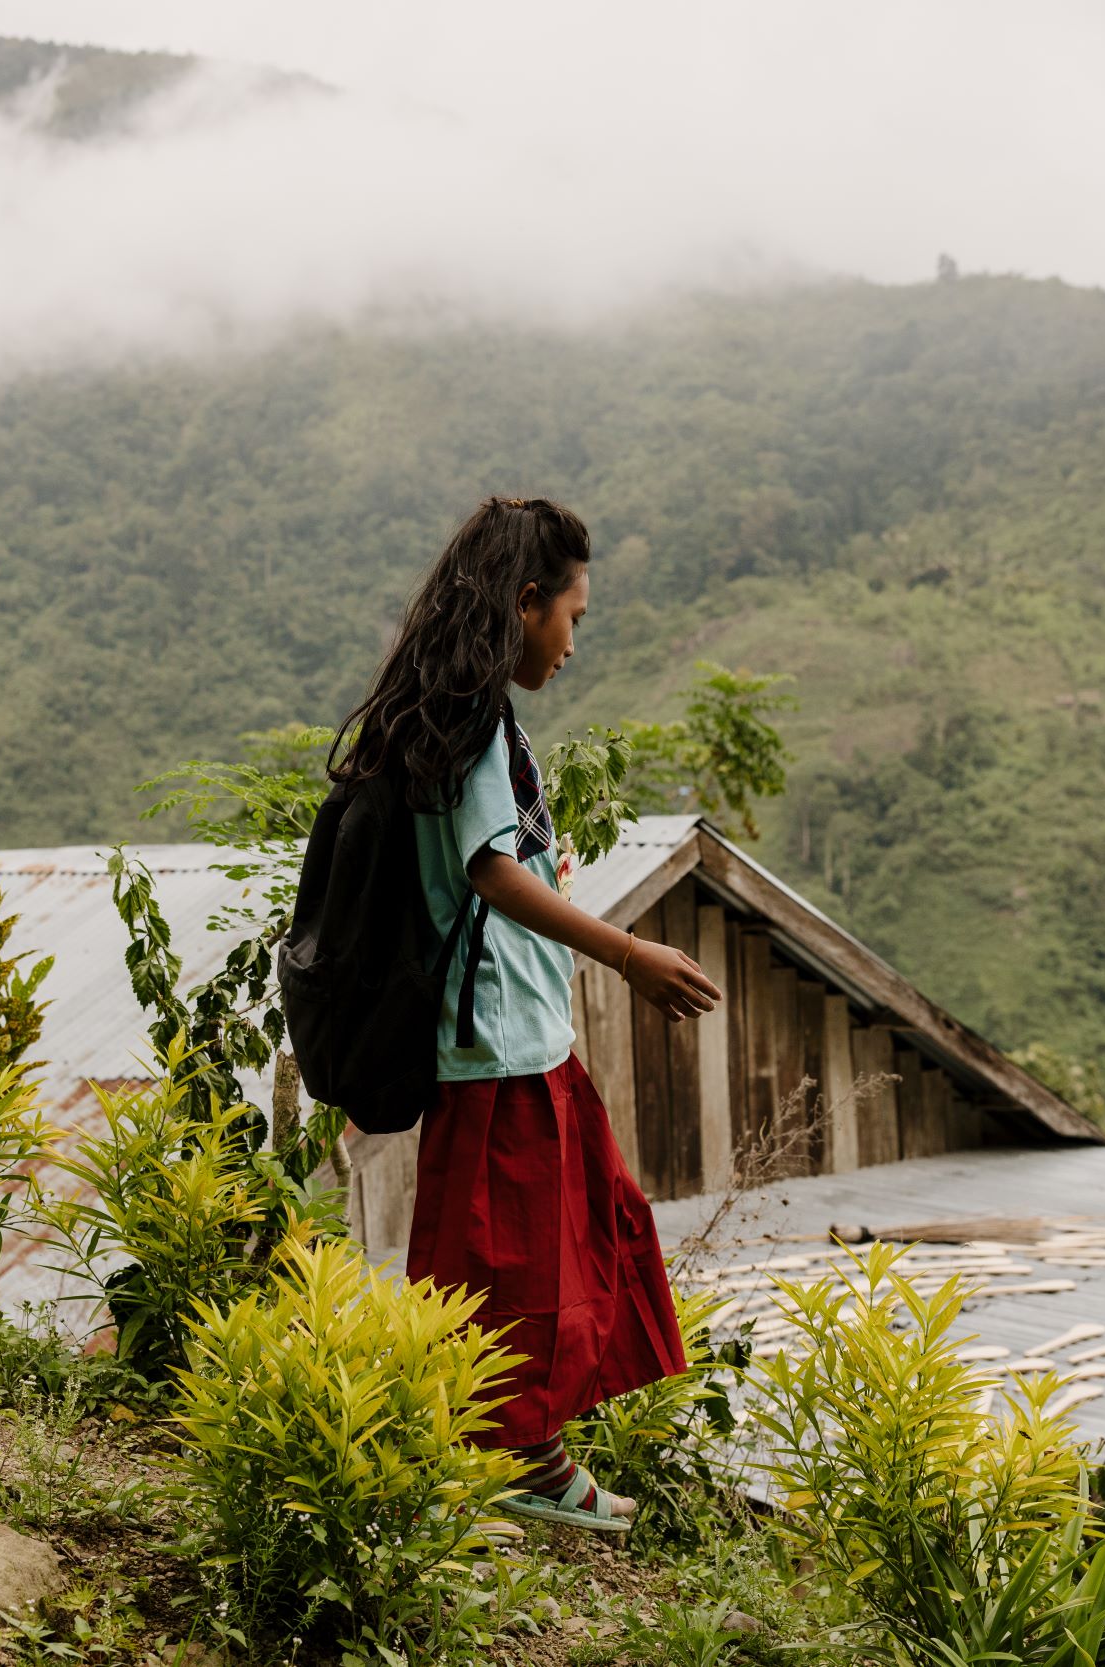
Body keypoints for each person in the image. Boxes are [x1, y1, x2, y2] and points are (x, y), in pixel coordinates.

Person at [328, 495, 725, 1531]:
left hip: (518, 1037)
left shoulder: (455, 716)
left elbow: (497, 865)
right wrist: (633, 952)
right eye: (573, 617)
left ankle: (509, 1447)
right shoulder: (472, 726)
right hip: (495, 1044)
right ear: (524, 601)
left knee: (556, 1242)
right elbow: (490, 872)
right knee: (511, 1266)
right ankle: (521, 1461)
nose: (574, 641)